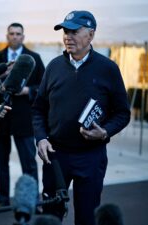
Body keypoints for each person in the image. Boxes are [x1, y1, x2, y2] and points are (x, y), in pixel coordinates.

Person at [32, 10, 130, 225]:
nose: (68, 36)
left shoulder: (108, 68)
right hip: (55, 155)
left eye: (75, 31)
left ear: (91, 35)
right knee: (49, 216)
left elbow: (123, 113)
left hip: (91, 157)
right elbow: (38, 109)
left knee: (87, 218)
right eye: (65, 31)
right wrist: (41, 138)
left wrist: (105, 131)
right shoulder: (54, 66)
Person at [0, 22, 45, 206]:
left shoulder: (34, 58)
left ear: (23, 37)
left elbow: (43, 87)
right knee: (1, 163)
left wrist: (27, 91)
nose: (15, 36)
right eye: (11, 33)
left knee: (29, 163)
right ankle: (3, 200)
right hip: (1, 117)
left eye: (18, 33)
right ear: (7, 36)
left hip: (24, 118)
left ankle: (32, 198)